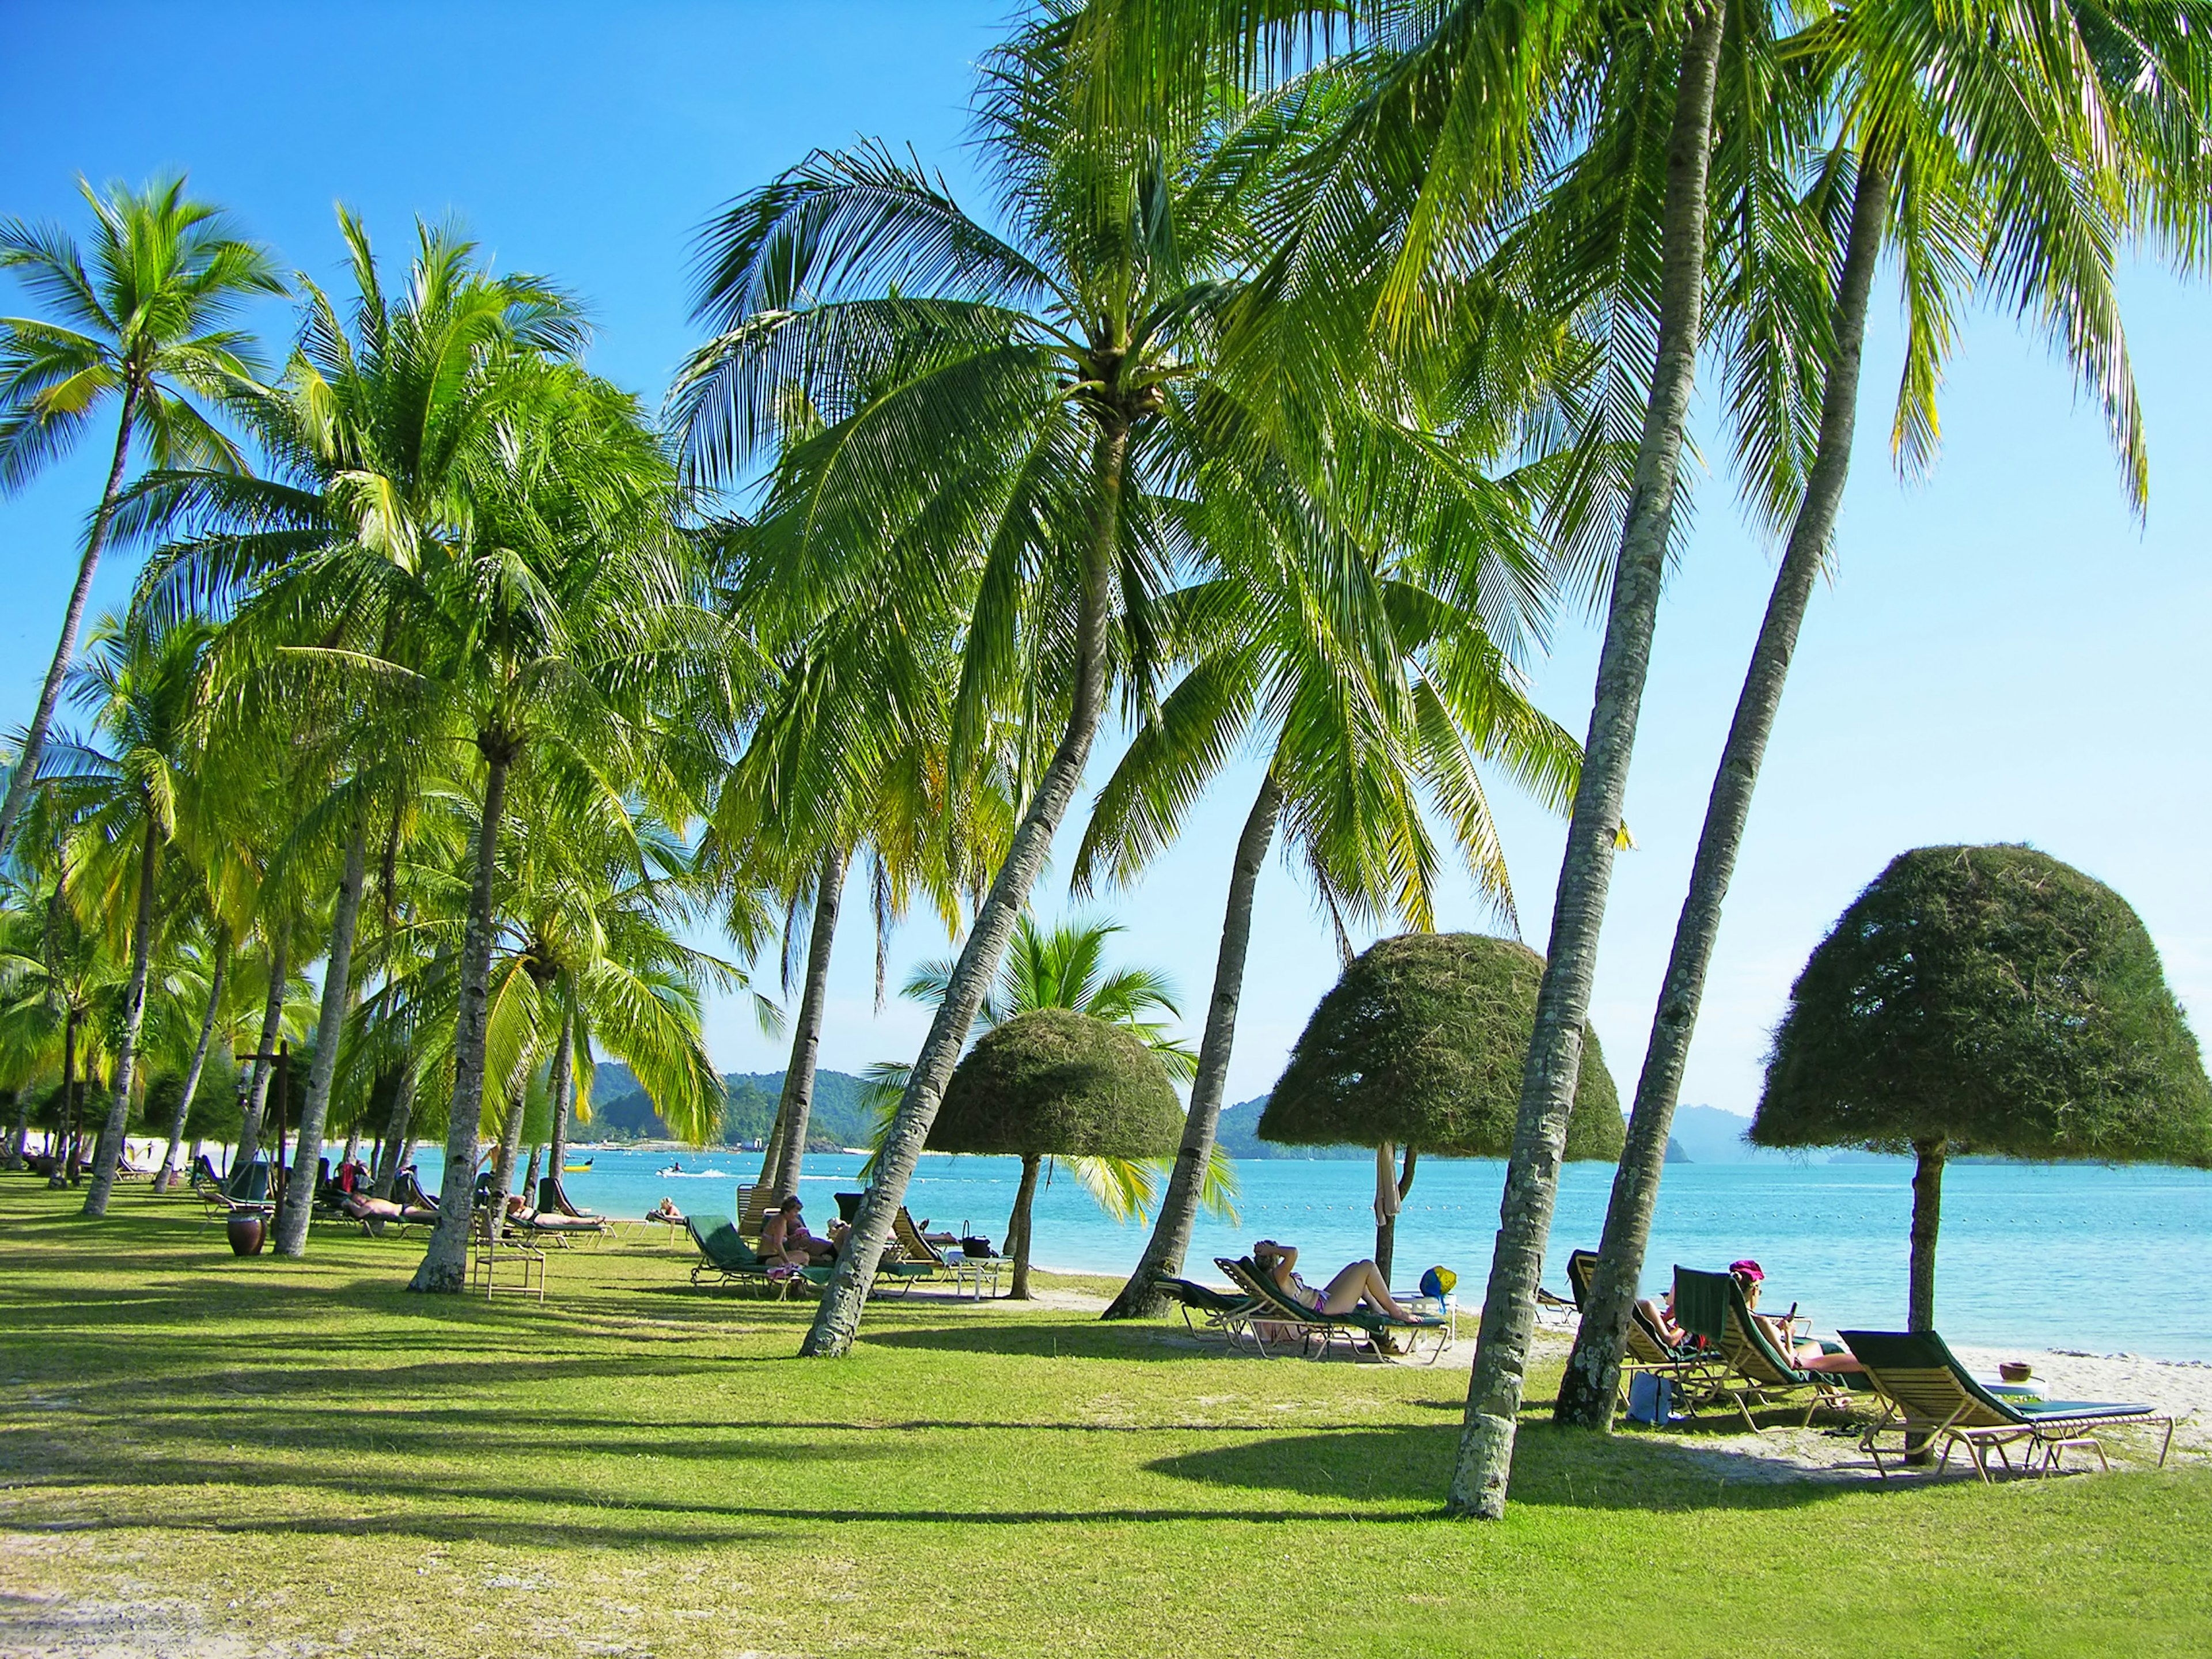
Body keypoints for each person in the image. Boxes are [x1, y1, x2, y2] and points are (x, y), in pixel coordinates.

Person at [1729, 1260, 1861, 1374]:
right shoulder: (1761, 1322)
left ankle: (1835, 1395)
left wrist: (1777, 1330)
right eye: (1760, 1292)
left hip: (1750, 1363)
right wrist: (1787, 1333)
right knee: (1860, 1361)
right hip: (1795, 1364)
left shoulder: (1729, 1316)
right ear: (1754, 1291)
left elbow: (1762, 1338)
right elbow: (1788, 1363)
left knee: (1816, 1346)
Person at [1252, 1239, 1418, 1321]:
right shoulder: (1278, 1275)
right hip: (1325, 1308)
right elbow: (1293, 1253)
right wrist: (1271, 1249)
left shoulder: (1270, 1277)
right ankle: (1396, 1311)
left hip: (1323, 1299)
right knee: (1367, 1266)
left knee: (1355, 1268)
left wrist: (1269, 1251)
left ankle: (1377, 1307)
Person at [760, 1196, 844, 1266]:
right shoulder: (780, 1221)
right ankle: (798, 1283)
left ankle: (798, 1283)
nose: (796, 1215)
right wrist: (787, 1263)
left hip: (773, 1257)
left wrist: (794, 1237)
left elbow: (784, 1238)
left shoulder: (781, 1220)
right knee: (804, 1257)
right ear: (787, 1211)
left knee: (804, 1255)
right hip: (768, 1258)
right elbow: (778, 1244)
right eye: (795, 1212)